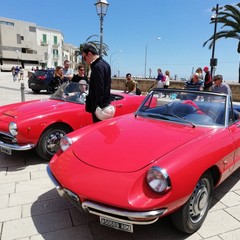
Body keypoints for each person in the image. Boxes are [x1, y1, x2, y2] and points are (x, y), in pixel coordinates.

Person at [81, 44, 111, 123]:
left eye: (84, 57)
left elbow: (99, 87)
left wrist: (97, 106)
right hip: (105, 104)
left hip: (99, 107)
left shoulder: (97, 66)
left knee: (99, 129)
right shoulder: (106, 64)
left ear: (89, 54)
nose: (85, 60)